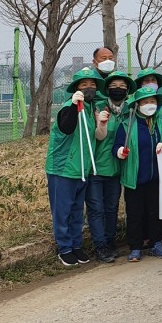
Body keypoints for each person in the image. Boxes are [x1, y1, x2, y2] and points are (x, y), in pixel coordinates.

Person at [45, 68, 108, 266]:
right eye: (84, 84)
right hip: (62, 169)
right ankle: (64, 247)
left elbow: (95, 137)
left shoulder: (91, 109)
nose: (89, 87)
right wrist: (73, 106)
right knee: (62, 211)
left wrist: (101, 124)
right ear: (76, 88)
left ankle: (76, 245)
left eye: (92, 84)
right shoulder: (68, 107)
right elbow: (67, 127)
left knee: (76, 211)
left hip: (82, 168)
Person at [114, 87, 162, 262]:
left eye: (152, 102)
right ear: (137, 105)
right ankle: (135, 247)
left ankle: (156, 243)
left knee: (154, 212)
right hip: (134, 178)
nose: (149, 105)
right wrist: (120, 151)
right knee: (135, 213)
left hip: (157, 178)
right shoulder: (127, 124)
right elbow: (116, 146)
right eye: (145, 102)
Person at [87, 71, 135, 263]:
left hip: (116, 170)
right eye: (114, 86)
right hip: (95, 169)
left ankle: (109, 241)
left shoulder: (130, 111)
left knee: (111, 208)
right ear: (107, 89)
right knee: (96, 209)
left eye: (122, 86)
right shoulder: (97, 108)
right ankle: (100, 245)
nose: (118, 89)